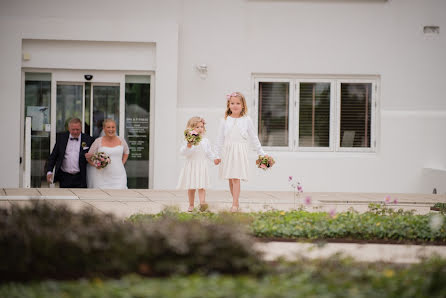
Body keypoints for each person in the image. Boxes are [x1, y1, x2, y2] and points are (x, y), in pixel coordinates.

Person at [214, 92, 266, 212]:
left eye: (238, 103)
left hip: (239, 151)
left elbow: (254, 137)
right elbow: (219, 138)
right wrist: (216, 154)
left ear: (243, 105)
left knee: (236, 177)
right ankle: (235, 201)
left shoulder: (247, 120)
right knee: (231, 178)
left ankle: (235, 204)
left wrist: (261, 152)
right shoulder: (225, 120)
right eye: (232, 103)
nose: (235, 105)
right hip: (228, 151)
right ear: (229, 105)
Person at [177, 117, 215, 212]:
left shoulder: (205, 141)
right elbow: (183, 152)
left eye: (201, 127)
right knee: (191, 186)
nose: (200, 129)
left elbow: (209, 153)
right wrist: (189, 146)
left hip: (201, 165)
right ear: (191, 129)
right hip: (191, 165)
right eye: (197, 127)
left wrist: (215, 159)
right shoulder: (188, 140)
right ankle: (191, 204)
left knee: (202, 186)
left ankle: (202, 203)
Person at [46, 118, 95, 188]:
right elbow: (53, 156)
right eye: (73, 129)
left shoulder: (88, 139)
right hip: (64, 176)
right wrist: (49, 171)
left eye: (77, 129)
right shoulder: (61, 138)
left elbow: (93, 156)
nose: (75, 132)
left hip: (81, 177)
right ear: (69, 128)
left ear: (81, 128)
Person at [85, 118, 129, 189]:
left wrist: (122, 163)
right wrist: (96, 165)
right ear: (104, 128)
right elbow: (88, 157)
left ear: (115, 128)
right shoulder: (98, 141)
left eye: (113, 127)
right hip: (101, 177)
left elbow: (126, 152)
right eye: (108, 127)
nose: (111, 129)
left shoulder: (121, 140)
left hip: (119, 175)